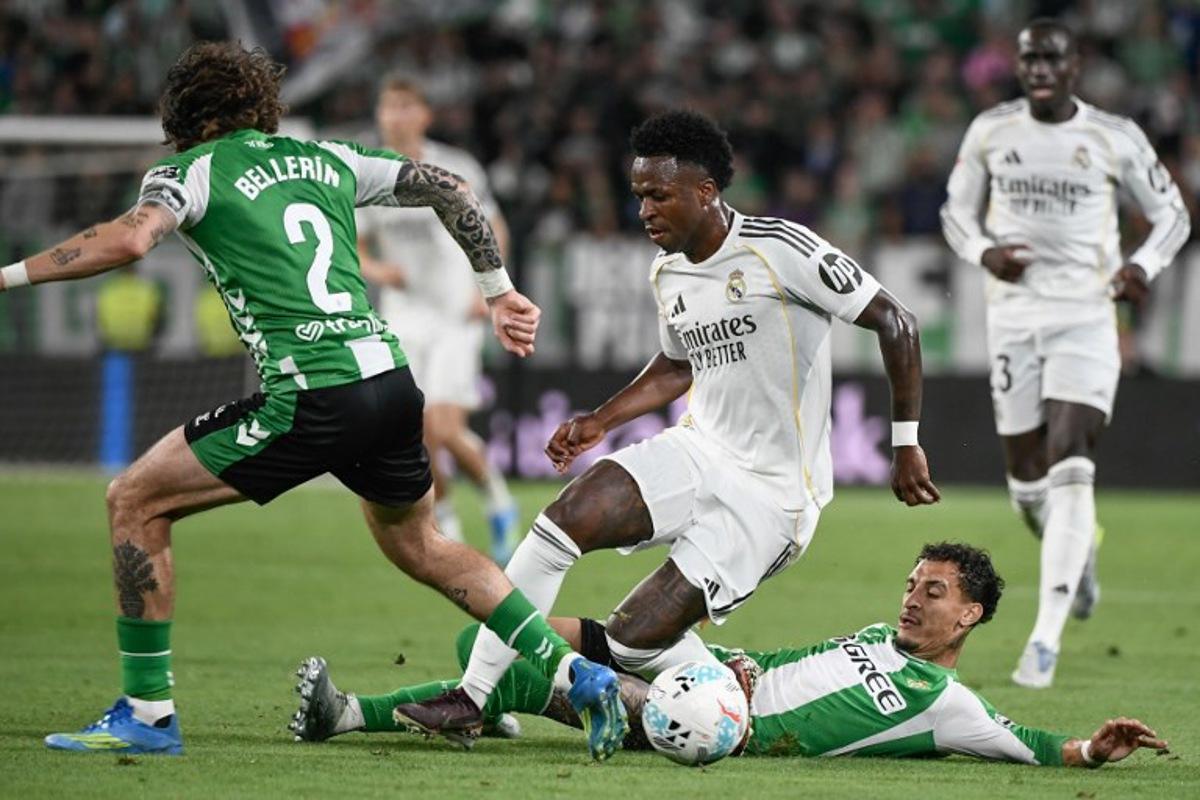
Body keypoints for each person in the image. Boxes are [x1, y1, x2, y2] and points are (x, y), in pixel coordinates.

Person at [0, 42, 625, 760]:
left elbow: (131, 240)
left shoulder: (189, 172)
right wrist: (498, 289)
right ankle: (575, 673)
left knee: (133, 501)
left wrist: (10, 275)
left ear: (184, 114)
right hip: (390, 385)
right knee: (424, 545)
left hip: (312, 392)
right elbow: (450, 186)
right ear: (261, 104)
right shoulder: (328, 159)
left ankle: (148, 713)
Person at [395, 109, 940, 742]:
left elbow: (897, 323)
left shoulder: (780, 250)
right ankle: (474, 697)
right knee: (565, 518)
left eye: (659, 195)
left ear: (705, 192)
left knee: (630, 644)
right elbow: (678, 365)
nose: (645, 210)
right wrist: (602, 419)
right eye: (638, 196)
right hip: (700, 449)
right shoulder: (669, 271)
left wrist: (906, 444)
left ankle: (729, 703)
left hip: (774, 496)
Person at [293, 541, 1168, 768]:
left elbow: (1034, 746)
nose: (911, 597)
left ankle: (358, 714)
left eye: (932, 593)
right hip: (714, 672)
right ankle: (503, 702)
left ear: (970, 615)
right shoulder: (872, 639)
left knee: (515, 654)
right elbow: (795, 660)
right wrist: (745, 658)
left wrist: (1095, 749)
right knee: (488, 633)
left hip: (722, 725)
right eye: (911, 583)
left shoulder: (948, 707)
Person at [940, 19, 1190, 688]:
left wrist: (1143, 265)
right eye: (1029, 59)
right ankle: (1079, 560)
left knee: (1072, 456)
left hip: (1086, 314)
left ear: (1075, 65)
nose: (1040, 68)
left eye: (1052, 58)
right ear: (1018, 67)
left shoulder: (1112, 136)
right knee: (1027, 485)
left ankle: (1043, 642)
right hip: (1014, 319)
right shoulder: (992, 130)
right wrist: (983, 252)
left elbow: (1173, 216)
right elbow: (955, 212)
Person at [357, 75, 519, 562]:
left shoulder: (455, 165)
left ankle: (497, 499)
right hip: (404, 318)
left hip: (455, 313)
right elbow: (357, 243)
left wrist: (490, 290)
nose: (396, 115)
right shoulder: (367, 171)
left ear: (425, 114)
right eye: (389, 106)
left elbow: (494, 226)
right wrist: (379, 269)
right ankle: (447, 526)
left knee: (443, 428)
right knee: (416, 431)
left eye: (407, 105)